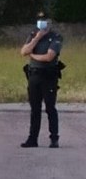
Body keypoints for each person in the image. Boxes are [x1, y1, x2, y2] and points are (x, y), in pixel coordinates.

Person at [20, 11, 63, 149]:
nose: (41, 23)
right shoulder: (33, 35)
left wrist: (33, 56)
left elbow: (49, 57)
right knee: (35, 109)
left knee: (50, 107)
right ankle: (33, 139)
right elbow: (23, 51)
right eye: (39, 21)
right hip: (34, 76)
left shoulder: (55, 37)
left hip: (48, 76)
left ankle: (54, 138)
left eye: (44, 21)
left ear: (49, 22)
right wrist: (36, 39)